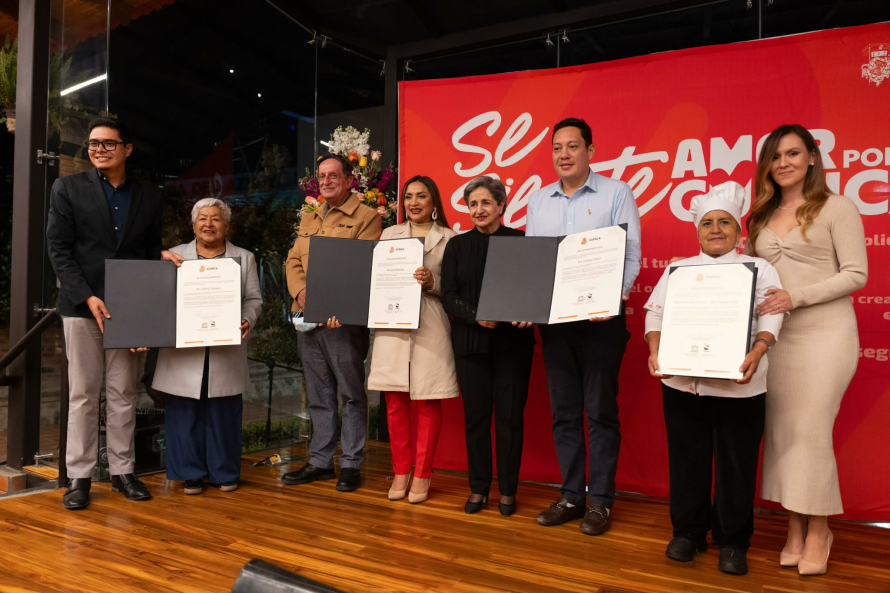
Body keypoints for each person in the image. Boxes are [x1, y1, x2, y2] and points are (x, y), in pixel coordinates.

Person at [643, 181, 784, 576]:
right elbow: (655, 314)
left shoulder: (760, 268)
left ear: (739, 231)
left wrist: (759, 349)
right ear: (697, 231)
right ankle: (687, 533)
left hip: (741, 387)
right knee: (687, 462)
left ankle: (733, 541)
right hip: (682, 385)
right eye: (708, 223)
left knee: (735, 467)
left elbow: (773, 312)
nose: (716, 229)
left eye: (725, 222)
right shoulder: (678, 269)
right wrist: (656, 350)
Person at [46, 117, 185, 510]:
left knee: (124, 394)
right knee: (83, 396)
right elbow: (59, 250)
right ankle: (80, 477)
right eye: (93, 143)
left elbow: (148, 248)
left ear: (127, 149)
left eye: (108, 143)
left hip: (128, 309)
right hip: (81, 308)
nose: (99, 149)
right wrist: (87, 297)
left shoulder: (146, 195)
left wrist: (158, 260)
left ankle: (124, 472)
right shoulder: (68, 188)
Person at [747, 124, 867, 576]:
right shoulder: (760, 215)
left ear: (813, 157)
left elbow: (857, 274)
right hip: (774, 338)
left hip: (826, 334)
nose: (784, 163)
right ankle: (794, 529)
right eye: (775, 156)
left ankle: (820, 529)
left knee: (812, 432)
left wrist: (796, 298)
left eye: (793, 153)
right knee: (784, 434)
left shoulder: (838, 207)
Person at [525, 117, 641, 535]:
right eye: (557, 147)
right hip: (556, 326)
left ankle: (602, 503)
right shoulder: (538, 201)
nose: (564, 154)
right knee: (564, 413)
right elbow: (535, 263)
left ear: (590, 151)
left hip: (601, 323)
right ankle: (573, 496)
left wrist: (614, 297)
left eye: (572, 146)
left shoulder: (616, 193)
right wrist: (530, 303)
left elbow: (629, 256)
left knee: (600, 413)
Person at [281, 153, 382, 492]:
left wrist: (337, 304)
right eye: (321, 176)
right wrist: (301, 291)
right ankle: (321, 461)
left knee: (351, 395)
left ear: (349, 179)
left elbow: (360, 267)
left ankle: (351, 464)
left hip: (343, 322)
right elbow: (293, 259)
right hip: (308, 319)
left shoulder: (366, 217)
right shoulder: (310, 217)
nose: (325, 182)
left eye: (332, 176)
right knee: (320, 395)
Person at [151, 198, 262, 495]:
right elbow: (159, 301)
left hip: (226, 348)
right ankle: (190, 473)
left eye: (216, 219)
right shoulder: (172, 256)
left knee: (223, 414)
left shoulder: (245, 258)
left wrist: (247, 319)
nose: (209, 224)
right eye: (203, 218)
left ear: (226, 225)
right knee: (184, 414)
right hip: (182, 351)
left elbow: (254, 300)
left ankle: (225, 472)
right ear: (193, 224)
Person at [360, 175, 459, 504]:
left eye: (422, 196)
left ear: (434, 203)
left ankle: (423, 474)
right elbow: (374, 281)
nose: (414, 202)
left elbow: (458, 291)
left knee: (429, 401)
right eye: (408, 196)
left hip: (430, 325)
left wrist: (433, 281)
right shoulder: (388, 235)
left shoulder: (450, 238)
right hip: (392, 325)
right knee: (394, 402)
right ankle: (400, 470)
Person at [441, 176, 535, 516]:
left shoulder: (522, 242)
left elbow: (533, 292)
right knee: (476, 420)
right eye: (472, 204)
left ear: (501, 206)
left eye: (485, 203)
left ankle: (508, 491)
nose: (478, 210)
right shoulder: (457, 245)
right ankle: (479, 488)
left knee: (510, 420)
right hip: (470, 344)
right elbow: (449, 296)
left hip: (514, 346)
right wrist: (476, 316)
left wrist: (528, 312)